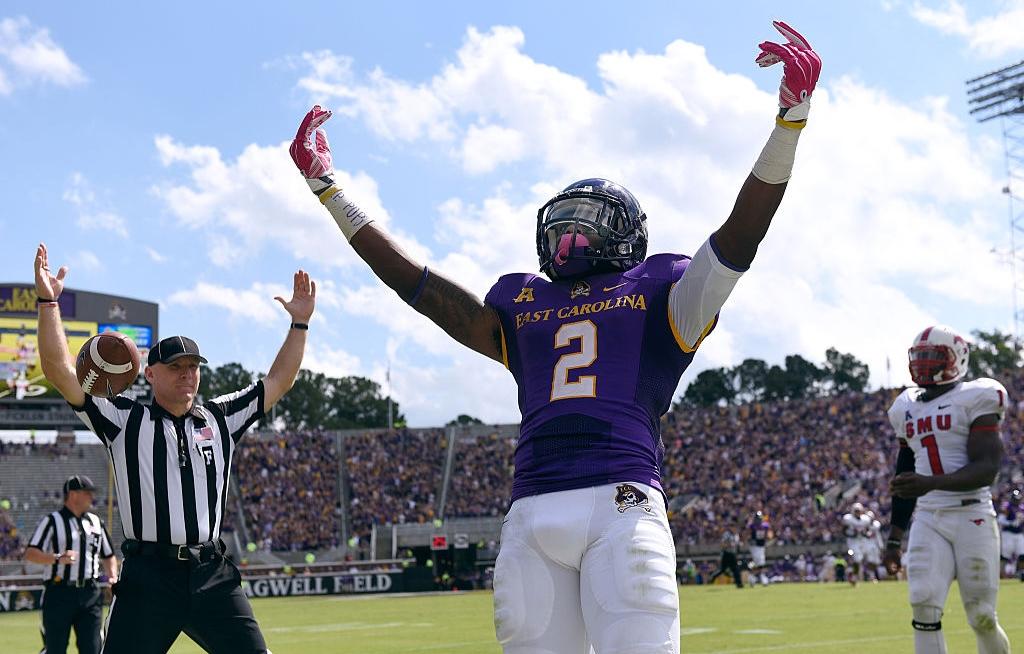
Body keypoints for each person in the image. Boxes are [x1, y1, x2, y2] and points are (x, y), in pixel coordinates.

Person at [290, 20, 819, 654]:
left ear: (625, 233)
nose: (569, 234)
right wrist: (329, 191)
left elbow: (738, 236)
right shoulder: (522, 300)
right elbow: (419, 288)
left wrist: (789, 122)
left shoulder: (664, 292)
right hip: (534, 510)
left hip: (619, 502)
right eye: (562, 221)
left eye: (587, 222)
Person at [33, 243, 315, 654]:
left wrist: (300, 325)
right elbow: (58, 370)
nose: (187, 375)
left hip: (211, 572)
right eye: (176, 367)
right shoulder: (124, 419)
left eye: (193, 367)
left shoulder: (219, 417)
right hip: (149, 576)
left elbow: (278, 382)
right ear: (149, 373)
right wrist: (48, 302)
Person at [882, 325, 1011, 654]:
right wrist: (895, 537)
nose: (923, 363)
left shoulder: (977, 396)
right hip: (929, 516)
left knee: (981, 615)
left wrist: (929, 483)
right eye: (919, 356)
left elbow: (986, 469)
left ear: (958, 359)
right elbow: (905, 474)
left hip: (972, 513)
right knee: (923, 605)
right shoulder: (905, 407)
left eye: (932, 356)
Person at [24, 475, 117, 654]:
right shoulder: (52, 521)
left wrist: (112, 576)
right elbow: (30, 553)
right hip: (59, 593)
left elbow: (109, 555)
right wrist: (57, 558)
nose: (92, 497)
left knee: (93, 649)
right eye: (87, 493)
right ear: (73, 495)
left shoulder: (96, 522)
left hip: (90, 593)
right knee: (55, 648)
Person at [997, 489, 1024, 581]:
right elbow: (1000, 520)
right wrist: (1010, 523)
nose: (1017, 500)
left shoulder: (1022, 507)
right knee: (1005, 555)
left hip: (1019, 534)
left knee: (1022, 554)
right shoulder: (1007, 506)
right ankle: (1002, 575)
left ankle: (1021, 574)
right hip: (1008, 533)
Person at [841, 502, 870, 585]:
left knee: (861, 558)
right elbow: (843, 531)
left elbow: (867, 530)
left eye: (859, 511)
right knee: (857, 558)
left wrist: (866, 534)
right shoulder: (848, 519)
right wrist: (852, 534)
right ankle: (853, 575)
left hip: (862, 541)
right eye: (856, 511)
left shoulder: (865, 519)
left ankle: (851, 572)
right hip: (852, 541)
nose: (858, 512)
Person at [747, 510, 773, 586]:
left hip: (761, 546)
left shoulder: (765, 525)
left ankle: (753, 577)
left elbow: (769, 534)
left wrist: (769, 537)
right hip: (754, 546)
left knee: (759, 563)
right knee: (760, 562)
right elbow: (747, 534)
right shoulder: (752, 526)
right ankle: (761, 577)